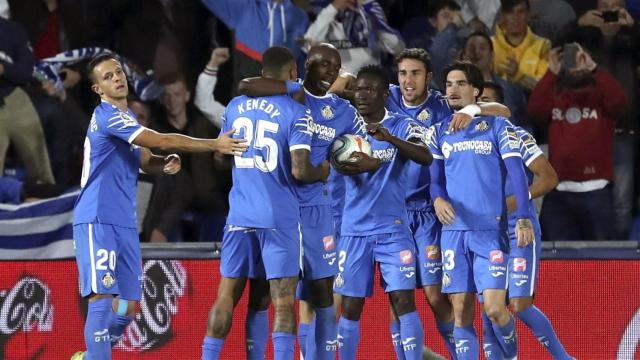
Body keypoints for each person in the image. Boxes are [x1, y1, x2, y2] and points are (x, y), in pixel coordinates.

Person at [70, 54, 247, 360]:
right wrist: (213, 144)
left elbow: (146, 159)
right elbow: (162, 139)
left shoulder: (126, 121)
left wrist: (162, 163)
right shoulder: (107, 116)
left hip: (124, 221)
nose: (117, 78)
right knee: (102, 297)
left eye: (118, 72)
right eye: (108, 77)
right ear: (98, 89)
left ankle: (88, 357)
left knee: (128, 306)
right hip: (96, 218)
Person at [201, 46, 330, 360]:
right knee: (283, 300)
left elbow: (220, 155)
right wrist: (324, 170)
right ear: (290, 73)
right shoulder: (296, 111)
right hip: (277, 217)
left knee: (227, 297)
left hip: (239, 214)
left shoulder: (235, 106)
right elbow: (300, 170)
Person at [383, 47, 512, 360]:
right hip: (394, 213)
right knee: (397, 298)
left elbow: (501, 111)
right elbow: (340, 83)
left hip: (430, 214)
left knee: (436, 296)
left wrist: (473, 111)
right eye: (403, 73)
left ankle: (459, 354)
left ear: (428, 77)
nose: (408, 80)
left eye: (415, 73)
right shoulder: (385, 97)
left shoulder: (444, 103)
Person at [237, 43, 362, 360]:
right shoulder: (288, 95)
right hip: (279, 207)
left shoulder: (345, 112)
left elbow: (363, 146)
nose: (331, 72)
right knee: (269, 294)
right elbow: (247, 85)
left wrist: (356, 159)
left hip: (319, 212)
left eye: (336, 67)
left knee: (322, 293)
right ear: (307, 66)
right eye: (324, 65)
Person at [428, 61, 534, 359]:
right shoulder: (438, 131)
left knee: (495, 309)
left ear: (475, 90)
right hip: (453, 232)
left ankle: (512, 356)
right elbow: (435, 181)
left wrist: (523, 217)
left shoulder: (497, 126)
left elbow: (518, 175)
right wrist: (437, 199)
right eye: (448, 84)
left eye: (460, 83)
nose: (453, 89)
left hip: (490, 231)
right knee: (460, 310)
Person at [333, 65, 432, 360]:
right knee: (350, 306)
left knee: (403, 301)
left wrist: (389, 139)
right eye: (358, 89)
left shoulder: (402, 125)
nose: (361, 95)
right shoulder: (346, 128)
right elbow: (336, 163)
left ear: (385, 94)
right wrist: (357, 163)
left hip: (393, 230)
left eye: (369, 90)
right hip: (354, 232)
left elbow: (425, 156)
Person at [478, 83, 574, 360]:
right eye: (478, 102)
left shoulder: (516, 136)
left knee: (519, 304)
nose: (480, 108)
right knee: (490, 307)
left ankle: (563, 358)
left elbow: (549, 178)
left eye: (487, 102)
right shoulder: (463, 139)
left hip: (519, 229)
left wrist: (515, 202)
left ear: (502, 109)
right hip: (484, 233)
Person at [528, 43, 628, 241]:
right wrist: (551, 72)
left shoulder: (601, 97)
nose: (575, 64)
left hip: (597, 191)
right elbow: (535, 111)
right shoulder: (555, 97)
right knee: (554, 261)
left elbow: (620, 103)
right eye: (570, 60)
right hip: (558, 193)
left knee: (602, 262)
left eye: (580, 58)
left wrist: (594, 69)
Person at [201, 0, 310, 93]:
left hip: (283, 109)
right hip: (246, 109)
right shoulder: (245, 8)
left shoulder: (300, 19)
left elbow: (302, 69)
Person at [0, 16, 55, 184]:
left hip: (15, 99)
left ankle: (47, 199)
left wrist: (3, 68)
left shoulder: (12, 29)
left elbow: (27, 71)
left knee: (42, 175)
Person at [304, 0, 405, 74]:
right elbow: (308, 46)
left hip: (368, 86)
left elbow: (397, 48)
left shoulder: (369, 15)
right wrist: (333, 8)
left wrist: (379, 24)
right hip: (337, 88)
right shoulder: (324, 15)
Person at [462, 31, 529, 127]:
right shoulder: (452, 95)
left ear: (492, 55)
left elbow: (524, 127)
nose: (476, 52)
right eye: (471, 48)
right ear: (463, 56)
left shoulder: (511, 91)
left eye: (482, 48)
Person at [492, 0, 551, 91]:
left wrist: (518, 75)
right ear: (503, 15)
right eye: (510, 12)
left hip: (530, 102)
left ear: (528, 15)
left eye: (520, 12)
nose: (516, 17)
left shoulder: (543, 45)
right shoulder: (488, 45)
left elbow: (544, 89)